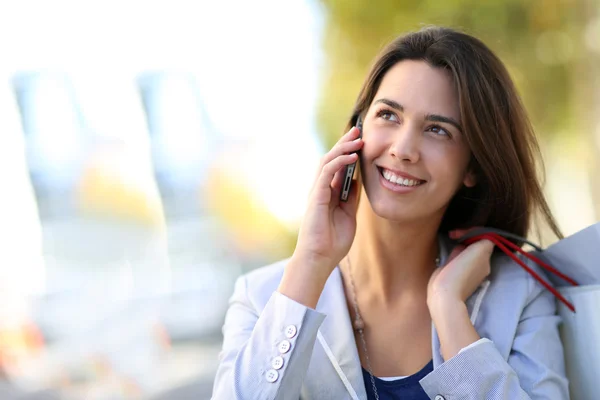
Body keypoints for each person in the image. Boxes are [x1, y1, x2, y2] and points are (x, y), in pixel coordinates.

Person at [211, 26, 569, 399]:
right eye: (389, 115)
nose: (403, 149)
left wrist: (449, 312)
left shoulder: (520, 295)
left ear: (473, 168)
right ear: (356, 132)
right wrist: (312, 262)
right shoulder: (260, 297)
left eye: (437, 130)